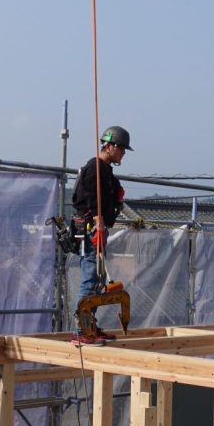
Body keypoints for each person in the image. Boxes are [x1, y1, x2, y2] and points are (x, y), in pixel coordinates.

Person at [72, 125, 131, 300]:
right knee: (91, 279)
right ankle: (82, 326)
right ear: (110, 145)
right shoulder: (95, 169)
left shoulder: (105, 170)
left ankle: (89, 324)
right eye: (122, 148)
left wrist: (117, 194)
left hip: (97, 228)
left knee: (98, 279)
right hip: (93, 229)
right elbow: (92, 200)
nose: (123, 153)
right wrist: (99, 224)